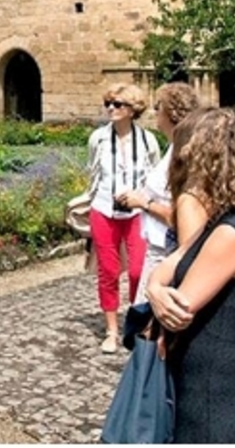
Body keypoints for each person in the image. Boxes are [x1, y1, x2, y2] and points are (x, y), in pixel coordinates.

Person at [145, 107, 235, 443]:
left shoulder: (231, 234)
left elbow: (176, 313)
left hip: (209, 398)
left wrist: (160, 299)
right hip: (214, 386)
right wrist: (153, 287)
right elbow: (175, 260)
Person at [85, 83, 161, 353]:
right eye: (108, 103)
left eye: (117, 105)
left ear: (132, 110)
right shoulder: (99, 138)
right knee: (108, 270)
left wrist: (144, 199)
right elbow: (93, 171)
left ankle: (137, 321)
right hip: (104, 209)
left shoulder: (147, 140)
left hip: (137, 213)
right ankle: (111, 330)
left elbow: (155, 176)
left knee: (140, 270)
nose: (110, 109)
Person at [114, 82, 202, 302]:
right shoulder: (174, 146)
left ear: (169, 113)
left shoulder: (183, 153)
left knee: (145, 318)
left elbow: (182, 216)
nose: (154, 114)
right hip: (157, 245)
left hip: (168, 249)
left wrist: (143, 203)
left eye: (157, 107)